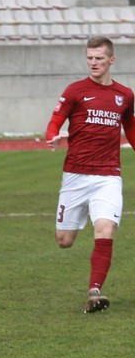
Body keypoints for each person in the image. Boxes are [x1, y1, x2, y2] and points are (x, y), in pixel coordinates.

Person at [46, 36, 135, 313]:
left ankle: (94, 291)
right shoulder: (76, 90)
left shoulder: (125, 94)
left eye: (98, 58)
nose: (93, 63)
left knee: (105, 229)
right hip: (75, 176)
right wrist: (52, 136)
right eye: (89, 58)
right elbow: (55, 121)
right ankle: (78, 219)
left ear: (111, 60)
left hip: (108, 176)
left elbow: (130, 127)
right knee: (64, 241)